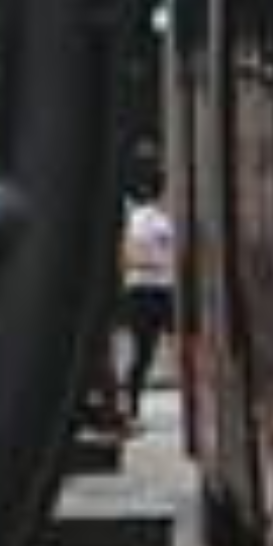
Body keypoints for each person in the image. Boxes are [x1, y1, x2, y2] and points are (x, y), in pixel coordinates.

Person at [106, 152, 178, 435]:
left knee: (160, 346)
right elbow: (126, 257)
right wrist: (155, 263)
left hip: (161, 289)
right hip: (144, 291)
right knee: (143, 352)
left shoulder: (161, 219)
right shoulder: (139, 220)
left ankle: (133, 402)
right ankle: (131, 404)